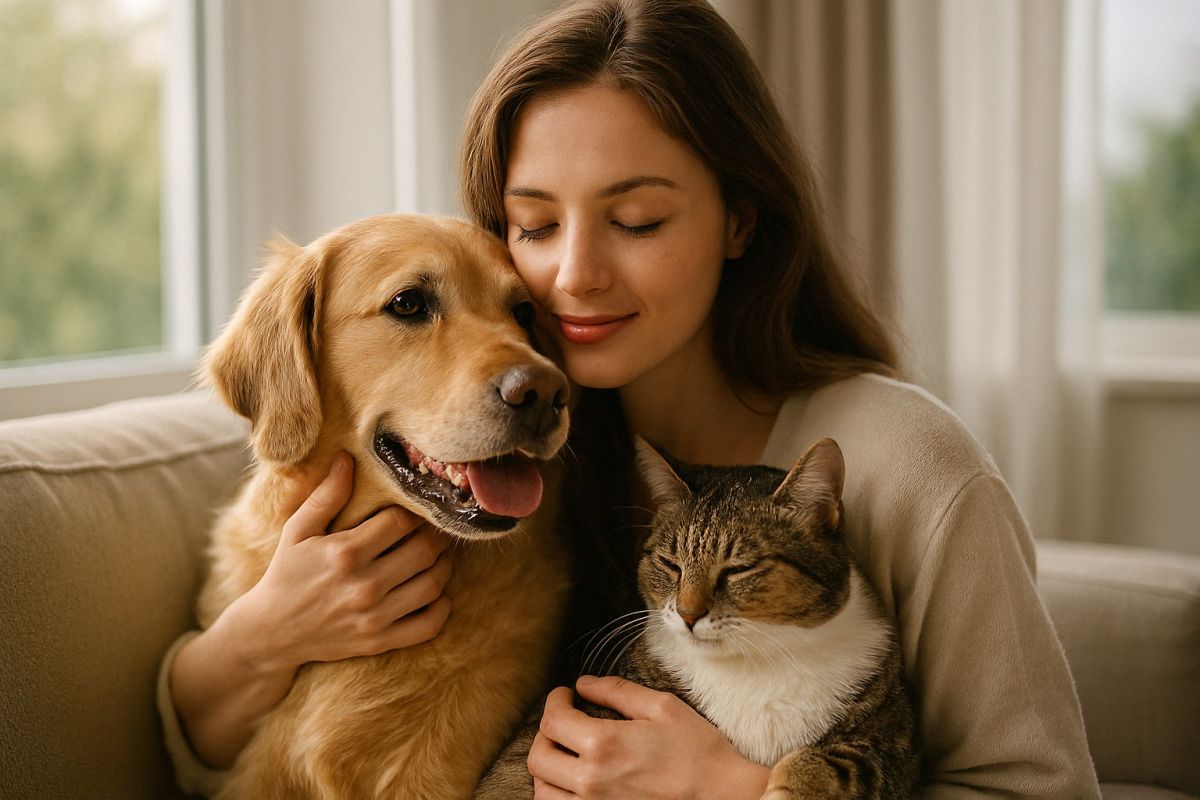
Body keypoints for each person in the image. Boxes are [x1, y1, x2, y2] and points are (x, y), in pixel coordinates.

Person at [160, 0, 1102, 797]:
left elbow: (1040, 784)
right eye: (532, 226)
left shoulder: (910, 466)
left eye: (637, 220)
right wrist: (258, 642)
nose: (575, 275)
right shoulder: (497, 454)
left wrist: (732, 785)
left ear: (738, 218)